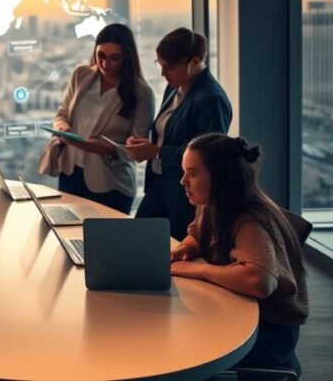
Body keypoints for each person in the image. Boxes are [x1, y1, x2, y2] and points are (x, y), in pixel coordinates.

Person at [171, 134, 308, 374]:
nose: (183, 181)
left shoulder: (250, 219)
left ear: (220, 177)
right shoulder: (213, 205)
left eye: (192, 173)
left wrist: (199, 269)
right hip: (243, 317)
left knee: (176, 343)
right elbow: (198, 236)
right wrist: (186, 248)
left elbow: (260, 281)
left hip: (266, 334)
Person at [126, 28, 232, 240]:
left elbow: (209, 155)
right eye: (161, 65)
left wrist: (156, 152)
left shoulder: (211, 99)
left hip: (184, 194)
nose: (163, 73)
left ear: (195, 62)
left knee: (172, 252)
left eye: (170, 67)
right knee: (137, 241)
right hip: (160, 184)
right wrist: (144, 145)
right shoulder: (176, 88)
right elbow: (168, 133)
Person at [39, 24, 154, 214]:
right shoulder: (81, 75)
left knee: (106, 241)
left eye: (115, 58)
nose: (106, 64)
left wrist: (88, 145)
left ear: (127, 58)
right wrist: (63, 128)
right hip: (71, 173)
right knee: (69, 235)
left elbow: (135, 151)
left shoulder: (142, 93)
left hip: (110, 183)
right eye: (101, 55)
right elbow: (62, 113)